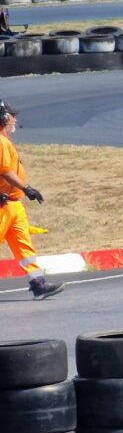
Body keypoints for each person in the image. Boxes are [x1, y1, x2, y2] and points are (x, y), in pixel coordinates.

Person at [0, 102, 63, 299]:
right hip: (3, 204)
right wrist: (26, 188)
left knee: (24, 247)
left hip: (13, 205)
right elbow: (5, 171)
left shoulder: (4, 141)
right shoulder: (0, 142)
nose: (15, 120)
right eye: (12, 116)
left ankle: (38, 284)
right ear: (4, 118)